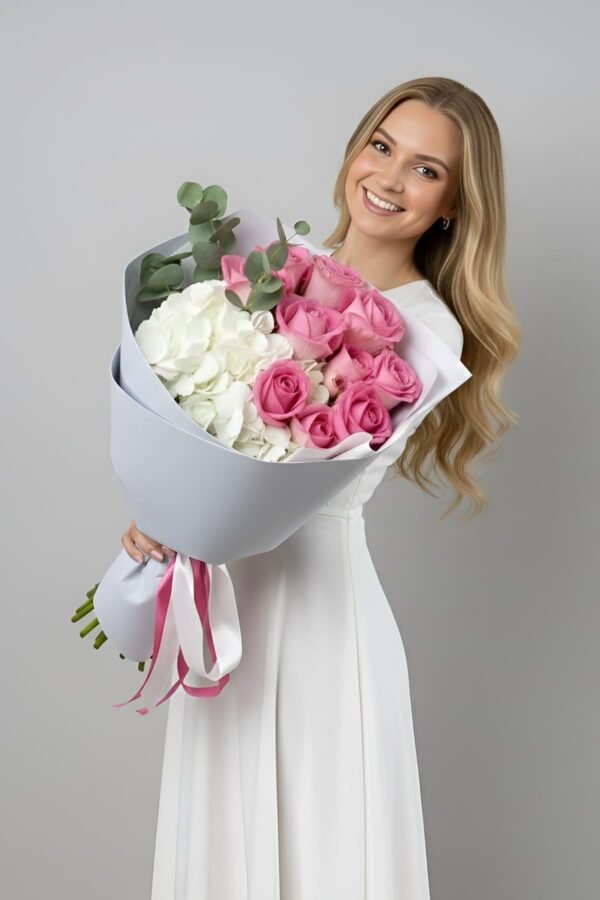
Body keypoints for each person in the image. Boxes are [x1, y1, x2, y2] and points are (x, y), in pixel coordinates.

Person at [123, 76, 522, 898]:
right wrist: (164, 517)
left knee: (319, 843)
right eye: (382, 146)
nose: (390, 178)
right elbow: (215, 432)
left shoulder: (427, 329)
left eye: (426, 170)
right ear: (354, 152)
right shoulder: (272, 271)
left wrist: (200, 512)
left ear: (451, 204)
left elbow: (293, 466)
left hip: (315, 621)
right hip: (231, 601)